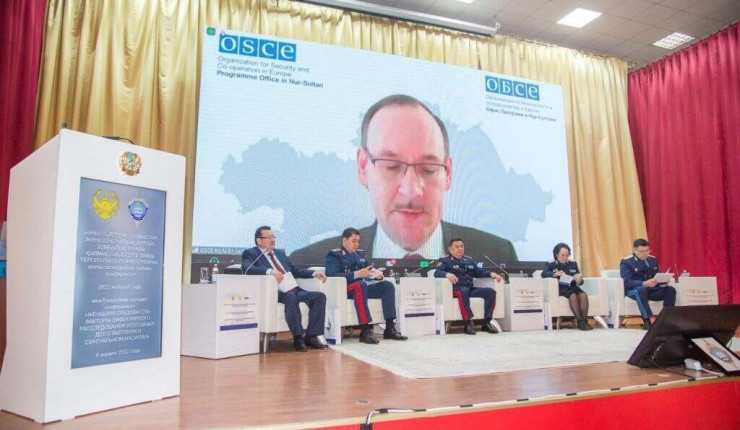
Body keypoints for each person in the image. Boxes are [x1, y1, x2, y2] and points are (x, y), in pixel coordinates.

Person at [290, 94, 517, 263]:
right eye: (391, 166)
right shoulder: (311, 261)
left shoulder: (497, 254)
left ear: (448, 173)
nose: (411, 189)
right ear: (363, 167)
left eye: (428, 168)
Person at [242, 226, 328, 352]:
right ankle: (298, 338)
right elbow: (247, 269)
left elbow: (295, 271)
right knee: (291, 297)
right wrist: (270, 271)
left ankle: (311, 336)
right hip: (276, 292)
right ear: (259, 241)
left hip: (294, 288)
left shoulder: (280, 254)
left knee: (319, 296)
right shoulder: (251, 253)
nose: (272, 240)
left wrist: (314, 273)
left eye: (273, 237)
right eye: (268, 237)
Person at [324, 227, 407, 344]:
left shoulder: (360, 254)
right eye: (353, 241)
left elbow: (367, 272)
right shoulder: (334, 255)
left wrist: (376, 275)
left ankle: (389, 328)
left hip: (361, 287)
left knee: (387, 286)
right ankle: (365, 330)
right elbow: (332, 275)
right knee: (360, 285)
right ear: (344, 240)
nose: (356, 244)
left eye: (358, 241)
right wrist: (357, 274)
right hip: (344, 289)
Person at [433, 238, 503, 335]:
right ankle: (467, 322)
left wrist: (491, 274)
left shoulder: (469, 260)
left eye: (461, 246)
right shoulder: (445, 261)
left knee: (490, 292)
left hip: (469, 289)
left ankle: (487, 322)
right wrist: (447, 274)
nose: (460, 249)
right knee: (463, 291)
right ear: (450, 249)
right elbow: (437, 272)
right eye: (457, 247)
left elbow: (479, 273)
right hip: (455, 289)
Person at [619, 238, 676, 330]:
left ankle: (667, 319)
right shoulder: (626, 262)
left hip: (651, 289)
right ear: (634, 250)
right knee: (642, 289)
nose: (645, 254)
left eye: (647, 250)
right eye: (641, 251)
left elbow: (656, 277)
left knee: (670, 290)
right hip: (633, 290)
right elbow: (626, 281)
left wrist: (663, 282)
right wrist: (644, 283)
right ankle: (648, 319)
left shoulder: (652, 260)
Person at [541, 243, 592, 330]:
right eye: (562, 255)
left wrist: (579, 281)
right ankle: (580, 321)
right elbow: (544, 274)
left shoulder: (573, 263)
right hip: (561, 288)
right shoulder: (550, 264)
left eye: (567, 255)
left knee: (583, 295)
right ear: (556, 254)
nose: (565, 257)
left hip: (573, 286)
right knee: (572, 295)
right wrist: (555, 274)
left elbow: (579, 277)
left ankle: (584, 321)